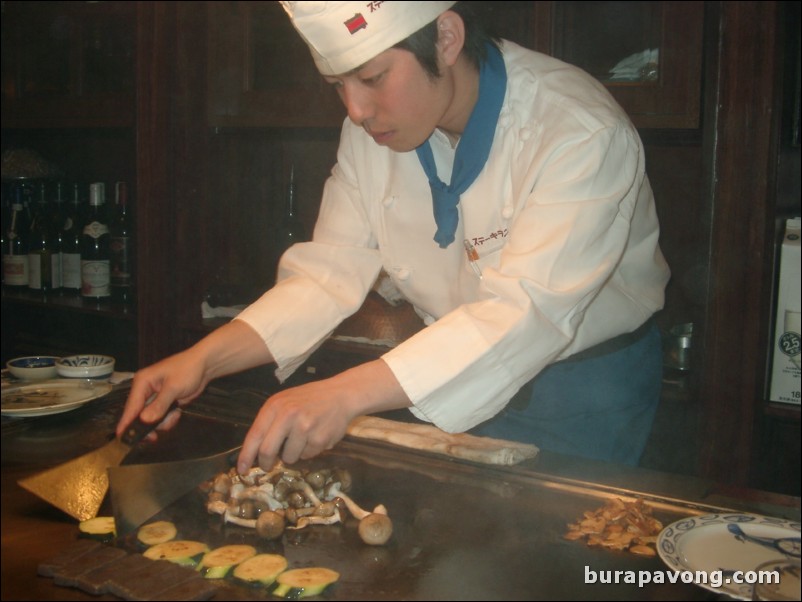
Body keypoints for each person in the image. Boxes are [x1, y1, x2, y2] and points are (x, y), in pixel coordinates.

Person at [117, 1, 670, 472]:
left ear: (446, 38)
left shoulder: (577, 129)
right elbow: (328, 272)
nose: (356, 111)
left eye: (373, 78)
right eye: (338, 86)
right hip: (438, 372)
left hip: (581, 388)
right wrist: (205, 359)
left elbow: (526, 313)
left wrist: (345, 395)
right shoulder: (375, 131)